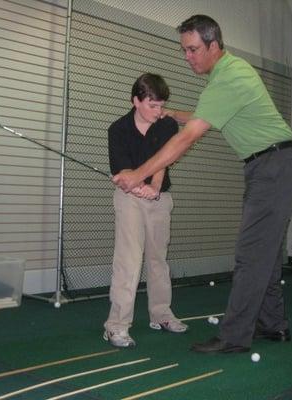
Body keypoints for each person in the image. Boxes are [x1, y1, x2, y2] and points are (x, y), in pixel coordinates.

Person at [112, 15, 292, 353]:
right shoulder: (228, 74)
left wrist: (138, 173)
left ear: (214, 46)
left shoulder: (228, 78)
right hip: (272, 165)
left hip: (272, 166)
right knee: (267, 253)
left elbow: (188, 138)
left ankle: (233, 337)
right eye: (184, 50)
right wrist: (172, 115)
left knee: (250, 253)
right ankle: (273, 324)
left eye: (193, 49)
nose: (188, 56)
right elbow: (200, 117)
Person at [103, 73, 188, 348]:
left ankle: (161, 314)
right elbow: (124, 171)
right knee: (129, 260)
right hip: (129, 199)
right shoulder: (117, 129)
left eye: (161, 105)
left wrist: (154, 185)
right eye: (152, 105)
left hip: (159, 198)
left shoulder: (165, 125)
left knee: (157, 259)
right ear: (135, 101)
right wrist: (139, 186)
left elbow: (164, 160)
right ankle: (116, 326)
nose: (158, 111)